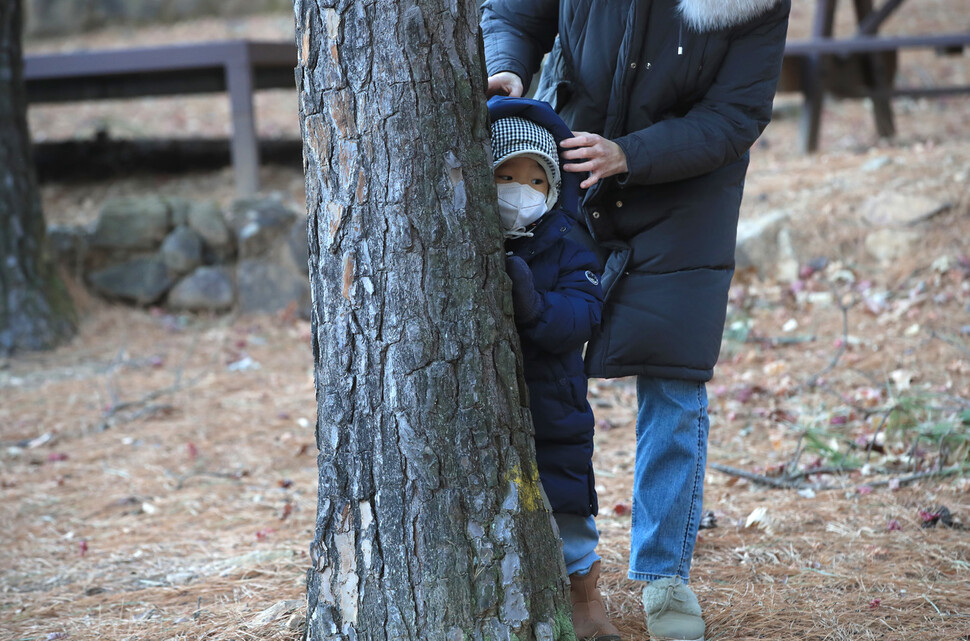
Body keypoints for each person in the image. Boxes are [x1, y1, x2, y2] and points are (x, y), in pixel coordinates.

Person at [481, 2, 791, 640]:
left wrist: (630, 153)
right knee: (541, 365)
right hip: (558, 174)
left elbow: (737, 113)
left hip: (688, 194)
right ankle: (568, 568)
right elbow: (514, 12)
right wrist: (506, 67)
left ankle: (664, 578)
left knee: (674, 380)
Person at [489, 96, 616, 641]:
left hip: (555, 399)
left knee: (565, 493)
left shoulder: (568, 243)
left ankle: (583, 592)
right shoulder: (468, 239)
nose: (521, 192)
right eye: (506, 176)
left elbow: (584, 312)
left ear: (554, 188)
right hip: (489, 406)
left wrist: (534, 306)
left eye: (536, 181)